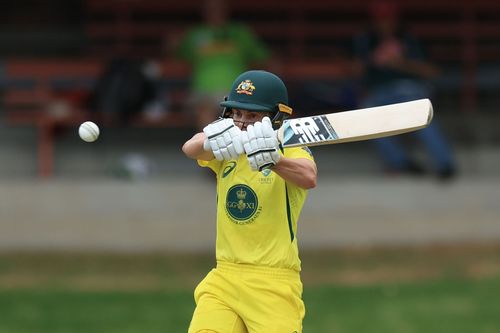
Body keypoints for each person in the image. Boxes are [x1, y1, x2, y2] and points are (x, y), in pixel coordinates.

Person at [182, 70, 317, 332]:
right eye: (236, 113)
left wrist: (274, 160)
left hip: (273, 283)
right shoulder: (226, 151)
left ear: (276, 118)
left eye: (253, 115)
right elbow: (189, 148)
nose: (241, 122)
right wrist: (208, 137)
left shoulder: (290, 149)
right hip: (225, 275)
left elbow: (308, 176)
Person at [352, 1, 456, 180]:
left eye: (387, 18)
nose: (384, 23)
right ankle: (401, 163)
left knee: (423, 118)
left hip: (408, 90)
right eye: (380, 19)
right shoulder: (365, 40)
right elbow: (352, 70)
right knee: (366, 117)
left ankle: (444, 164)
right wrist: (373, 59)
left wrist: (400, 62)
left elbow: (432, 71)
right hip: (378, 94)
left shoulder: (409, 39)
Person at [176, 0, 270, 130]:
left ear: (226, 10)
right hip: (203, 91)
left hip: (237, 90)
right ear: (203, 11)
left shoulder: (240, 32)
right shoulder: (194, 34)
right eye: (210, 8)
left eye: (218, 7)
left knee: (238, 113)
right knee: (204, 110)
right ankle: (210, 149)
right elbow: (178, 58)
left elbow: (262, 58)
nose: (215, 11)